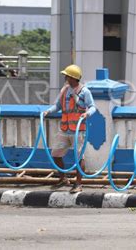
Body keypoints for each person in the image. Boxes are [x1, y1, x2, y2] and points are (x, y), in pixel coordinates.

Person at [43, 64, 96, 193]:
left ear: (72, 77)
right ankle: (63, 178)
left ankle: (78, 184)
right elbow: (58, 106)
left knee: (79, 157)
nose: (65, 77)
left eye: (67, 75)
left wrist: (87, 114)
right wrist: (48, 111)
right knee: (55, 154)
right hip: (65, 128)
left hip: (78, 130)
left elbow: (93, 107)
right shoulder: (64, 90)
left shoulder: (84, 91)